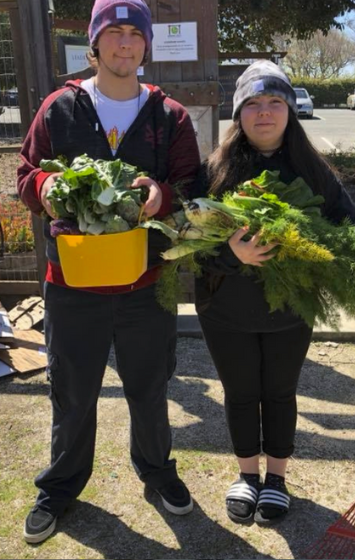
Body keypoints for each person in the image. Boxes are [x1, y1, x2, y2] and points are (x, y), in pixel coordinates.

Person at [17, 0, 200, 544]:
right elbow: (26, 171)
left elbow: (193, 187)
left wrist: (163, 195)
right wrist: (43, 188)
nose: (124, 45)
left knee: (149, 386)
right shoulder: (59, 108)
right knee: (73, 392)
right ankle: (61, 486)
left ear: (146, 46)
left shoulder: (170, 117)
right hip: (72, 285)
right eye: (114, 33)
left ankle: (157, 471)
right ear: (95, 44)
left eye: (134, 35)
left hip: (146, 285)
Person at [188, 60, 355, 525]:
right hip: (224, 309)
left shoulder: (313, 171)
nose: (264, 113)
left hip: (289, 310)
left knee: (280, 393)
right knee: (240, 392)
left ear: (289, 110)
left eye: (275, 102)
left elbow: (347, 230)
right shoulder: (213, 171)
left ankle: (277, 480)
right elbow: (187, 247)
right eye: (253, 104)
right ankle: (247, 475)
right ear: (238, 113)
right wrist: (231, 255)